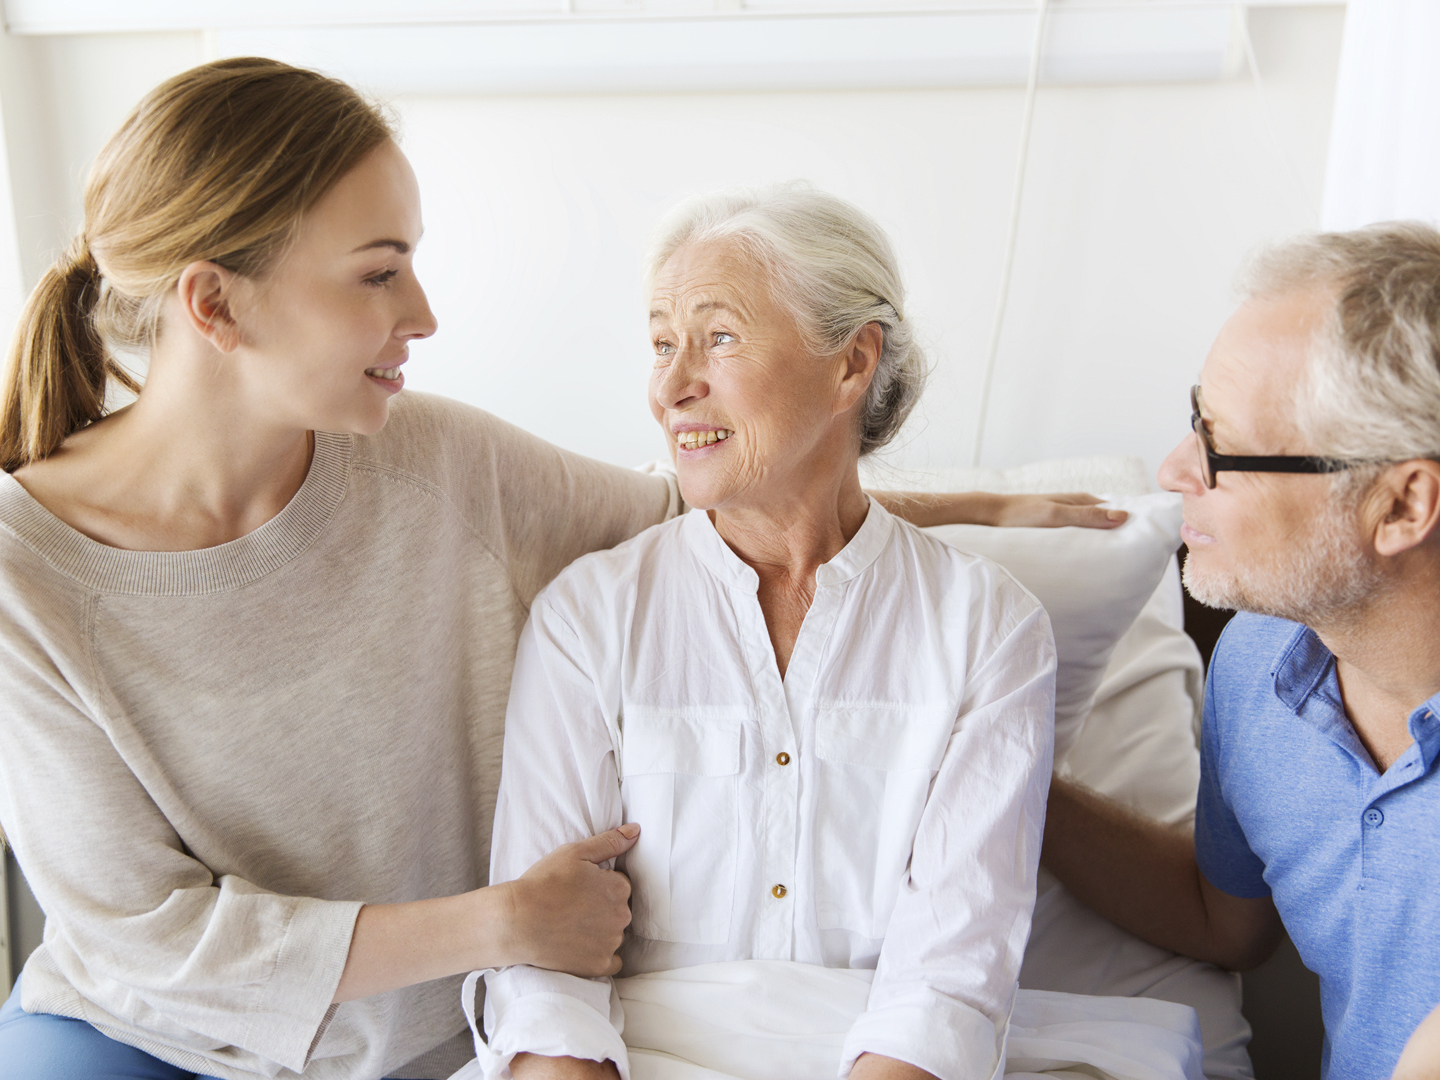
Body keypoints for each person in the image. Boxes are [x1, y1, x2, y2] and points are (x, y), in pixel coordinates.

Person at [0, 60, 1115, 1080]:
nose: (424, 314)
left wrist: (981, 504)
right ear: (213, 304)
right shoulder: (23, 577)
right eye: (380, 273)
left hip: (426, 1042)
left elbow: (725, 501)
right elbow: (145, 938)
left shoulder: (436, 462)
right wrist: (504, 924)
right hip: (146, 1037)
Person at [482, 184, 1057, 1080]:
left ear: (850, 365)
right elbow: (543, 977)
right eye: (663, 345)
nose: (673, 388)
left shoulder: (988, 629)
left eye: (718, 338)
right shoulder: (587, 618)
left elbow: (948, 983)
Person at [1041, 223, 1440, 1080]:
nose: (1175, 467)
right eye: (1196, 419)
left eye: (1219, 445)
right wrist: (1008, 772)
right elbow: (1224, 922)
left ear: (1403, 506)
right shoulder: (1261, 665)